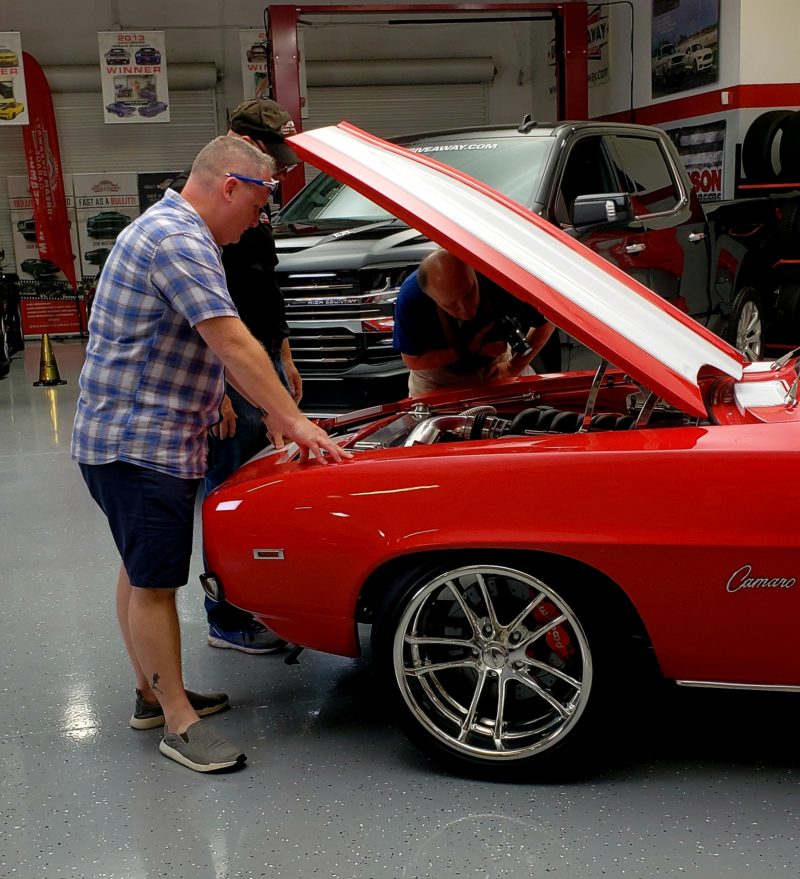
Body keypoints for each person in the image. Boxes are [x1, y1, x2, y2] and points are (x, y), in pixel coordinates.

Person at [71, 135, 351, 773]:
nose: (257, 222)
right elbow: (230, 340)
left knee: (141, 567)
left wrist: (249, 405)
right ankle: (179, 723)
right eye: (257, 207)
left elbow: (196, 340)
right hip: (140, 444)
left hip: (126, 437)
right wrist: (293, 420)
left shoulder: (174, 230)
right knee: (155, 583)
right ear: (230, 187)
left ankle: (152, 693)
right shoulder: (179, 241)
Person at [173, 99, 305, 656]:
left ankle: (263, 601)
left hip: (259, 357)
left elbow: (264, 287)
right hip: (228, 366)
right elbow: (206, 320)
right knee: (227, 492)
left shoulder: (256, 204)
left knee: (265, 489)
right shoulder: (203, 211)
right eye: (267, 154)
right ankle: (225, 618)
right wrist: (221, 394)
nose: (274, 170)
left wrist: (283, 354)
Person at [393, 249, 556, 396]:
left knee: (533, 411)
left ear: (474, 270)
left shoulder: (501, 279)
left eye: (469, 292)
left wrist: (513, 367)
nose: (465, 308)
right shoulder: (411, 297)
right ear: (430, 297)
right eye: (451, 304)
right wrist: (470, 348)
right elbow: (413, 361)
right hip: (437, 376)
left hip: (495, 365)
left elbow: (548, 321)